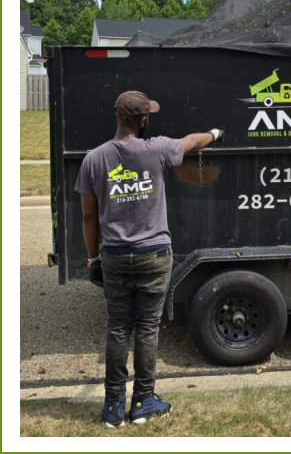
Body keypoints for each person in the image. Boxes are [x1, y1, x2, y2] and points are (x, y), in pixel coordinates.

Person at [75, 90, 224, 427]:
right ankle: (143, 400)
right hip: (154, 256)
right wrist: (215, 134)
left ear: (116, 116)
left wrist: (92, 261)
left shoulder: (93, 160)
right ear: (143, 120)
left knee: (118, 330)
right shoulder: (156, 149)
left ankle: (113, 406)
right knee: (146, 329)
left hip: (112, 256)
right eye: (147, 115)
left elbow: (88, 218)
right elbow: (191, 141)